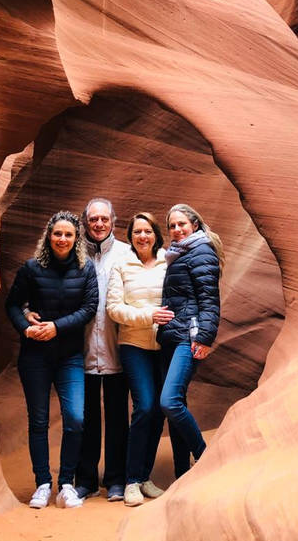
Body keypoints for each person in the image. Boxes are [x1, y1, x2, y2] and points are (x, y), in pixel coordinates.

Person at [5, 210, 98, 509]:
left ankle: (66, 484)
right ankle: (43, 483)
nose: (62, 239)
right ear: (49, 236)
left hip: (69, 356)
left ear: (76, 239)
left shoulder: (86, 270)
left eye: (68, 234)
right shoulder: (32, 269)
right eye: (57, 234)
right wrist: (27, 328)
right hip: (35, 357)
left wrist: (56, 327)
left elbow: (90, 307)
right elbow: (13, 305)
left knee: (75, 418)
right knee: (39, 421)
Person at [106, 212, 175, 507]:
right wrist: (148, 316)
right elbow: (114, 309)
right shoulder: (122, 265)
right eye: (137, 233)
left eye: (147, 231)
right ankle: (131, 480)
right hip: (133, 344)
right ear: (130, 237)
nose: (142, 237)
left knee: (160, 409)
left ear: (156, 234)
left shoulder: (167, 261)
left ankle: (145, 477)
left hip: (165, 345)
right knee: (145, 406)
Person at [158, 203, 223, 476]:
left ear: (194, 225)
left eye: (181, 224)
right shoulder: (178, 254)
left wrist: (205, 338)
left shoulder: (201, 251)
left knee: (169, 401)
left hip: (190, 336)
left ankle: (205, 457)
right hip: (173, 335)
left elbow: (209, 299)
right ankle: (182, 474)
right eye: (172, 226)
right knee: (178, 404)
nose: (176, 230)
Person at [74, 198, 130, 502]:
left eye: (103, 219)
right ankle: (85, 479)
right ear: (85, 221)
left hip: (117, 349)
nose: (98, 224)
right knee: (86, 417)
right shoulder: (74, 252)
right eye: (93, 219)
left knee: (119, 417)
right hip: (81, 352)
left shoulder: (126, 253)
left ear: (113, 221)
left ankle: (116, 479)